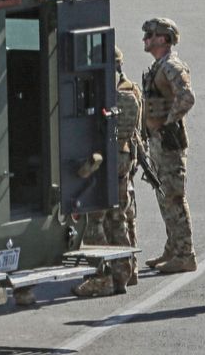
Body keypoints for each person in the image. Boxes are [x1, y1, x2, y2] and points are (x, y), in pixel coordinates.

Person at [74, 45, 143, 299]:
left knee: (95, 220)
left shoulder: (102, 92)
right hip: (125, 159)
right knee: (120, 218)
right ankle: (125, 271)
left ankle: (101, 277)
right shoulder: (131, 89)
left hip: (104, 160)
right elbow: (138, 130)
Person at [140, 17, 196, 274]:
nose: (145, 39)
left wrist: (168, 124)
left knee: (174, 197)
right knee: (164, 197)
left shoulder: (171, 66)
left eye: (150, 35)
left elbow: (186, 97)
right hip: (158, 142)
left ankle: (185, 254)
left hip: (169, 144)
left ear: (163, 38)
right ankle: (173, 248)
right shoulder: (158, 66)